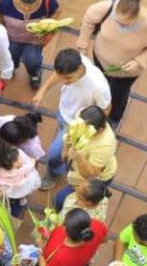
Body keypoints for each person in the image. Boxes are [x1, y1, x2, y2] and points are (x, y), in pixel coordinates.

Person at [34, 48, 112, 192]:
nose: (64, 82)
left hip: (76, 124)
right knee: (61, 146)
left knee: (54, 154)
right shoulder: (74, 62)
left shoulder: (99, 88)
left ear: (80, 68)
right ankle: (62, 165)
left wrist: (88, 132)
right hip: (64, 112)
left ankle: (54, 172)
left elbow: (105, 109)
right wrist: (42, 90)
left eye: (68, 78)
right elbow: (57, 75)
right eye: (62, 77)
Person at [0, 0, 61, 91]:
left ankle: (35, 74)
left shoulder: (47, 0)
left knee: (32, 61)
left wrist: (46, 27)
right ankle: (11, 68)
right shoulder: (7, 0)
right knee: (10, 56)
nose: (26, 9)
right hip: (13, 37)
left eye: (31, 5)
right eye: (23, 5)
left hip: (34, 39)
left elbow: (57, 11)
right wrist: (3, 31)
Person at [39, 207, 107, 266]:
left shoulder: (62, 258)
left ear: (66, 230)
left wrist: (40, 254)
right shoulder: (96, 225)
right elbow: (104, 239)